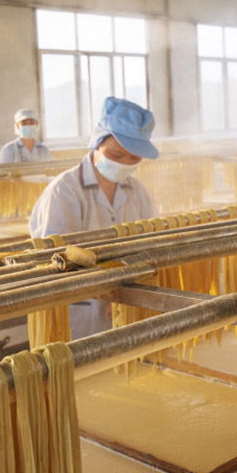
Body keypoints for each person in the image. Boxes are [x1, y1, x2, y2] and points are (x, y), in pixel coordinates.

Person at [29, 96, 159, 337]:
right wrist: (106, 292)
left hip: (129, 310)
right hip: (78, 310)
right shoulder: (65, 190)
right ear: (97, 143)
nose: (125, 163)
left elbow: (150, 248)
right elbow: (56, 260)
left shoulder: (137, 192)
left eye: (134, 158)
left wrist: (126, 291)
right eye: (116, 155)